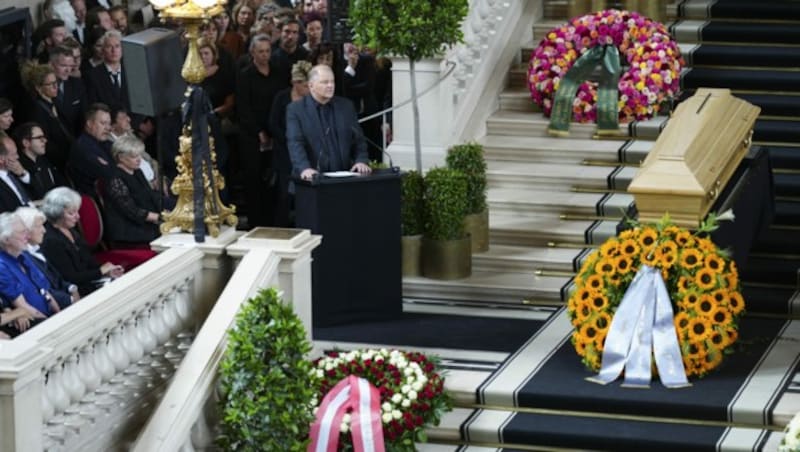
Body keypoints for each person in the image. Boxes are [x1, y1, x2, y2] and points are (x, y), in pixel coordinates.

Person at [286, 64, 371, 182]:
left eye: (332, 81)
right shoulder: (296, 109)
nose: (330, 86)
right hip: (312, 181)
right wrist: (304, 168)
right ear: (311, 85)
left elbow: (359, 139)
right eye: (325, 82)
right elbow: (295, 143)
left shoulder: (346, 106)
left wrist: (361, 160)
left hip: (345, 179)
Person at [236, 34, 287, 227]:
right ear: (252, 53)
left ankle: (274, 220)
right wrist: (259, 132)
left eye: (267, 51)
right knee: (254, 178)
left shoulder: (278, 72)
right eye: (261, 51)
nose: (265, 55)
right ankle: (256, 222)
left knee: (273, 178)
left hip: (276, 131)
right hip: (251, 135)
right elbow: (243, 107)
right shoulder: (245, 75)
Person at [40, 186, 124, 296]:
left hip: (89, 282)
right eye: (71, 213)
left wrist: (107, 272)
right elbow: (70, 277)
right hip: (77, 292)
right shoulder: (51, 240)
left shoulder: (70, 228)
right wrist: (100, 271)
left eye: (77, 211)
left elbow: (88, 260)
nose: (78, 217)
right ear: (57, 213)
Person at [0, 212, 60, 334]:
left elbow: (45, 292)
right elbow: (23, 306)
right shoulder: (2, 266)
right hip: (37, 323)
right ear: (6, 239)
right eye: (22, 232)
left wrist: (60, 315)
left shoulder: (23, 255)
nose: (28, 236)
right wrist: (53, 326)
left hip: (49, 315)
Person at [269, 60, 311, 226]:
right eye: (305, 85)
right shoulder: (282, 98)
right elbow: (273, 123)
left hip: (305, 153)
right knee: (284, 195)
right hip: (283, 153)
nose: (308, 89)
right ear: (295, 82)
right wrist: (289, 140)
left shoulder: (312, 100)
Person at [101, 134, 161, 246]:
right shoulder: (114, 179)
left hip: (147, 224)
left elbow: (151, 196)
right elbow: (131, 211)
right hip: (128, 232)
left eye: (139, 155)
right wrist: (159, 217)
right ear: (121, 157)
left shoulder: (138, 172)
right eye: (134, 156)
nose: (139, 159)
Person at [15, 206, 80, 308]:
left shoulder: (39, 247)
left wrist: (72, 288)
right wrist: (70, 300)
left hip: (67, 295)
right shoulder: (22, 258)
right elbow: (43, 290)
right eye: (39, 226)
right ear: (26, 231)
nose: (44, 230)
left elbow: (57, 279)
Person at [19, 61, 75, 172]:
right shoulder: (36, 111)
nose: (56, 87)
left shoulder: (55, 102)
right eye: (50, 84)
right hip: (58, 164)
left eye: (56, 82)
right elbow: (47, 144)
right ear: (38, 88)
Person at [68, 102, 114, 195]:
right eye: (103, 123)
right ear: (89, 123)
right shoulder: (82, 148)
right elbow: (106, 173)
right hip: (96, 199)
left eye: (109, 124)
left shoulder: (107, 143)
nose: (108, 128)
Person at [14, 122, 66, 200]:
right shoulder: (19, 167)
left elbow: (61, 183)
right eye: (39, 138)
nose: (45, 140)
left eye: (44, 137)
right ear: (26, 143)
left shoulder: (44, 160)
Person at [0, 133, 35, 213]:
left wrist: (23, 174)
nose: (18, 157)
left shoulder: (15, 172)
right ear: (1, 159)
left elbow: (39, 191)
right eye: (14, 154)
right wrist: (30, 205)